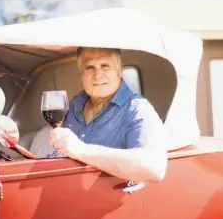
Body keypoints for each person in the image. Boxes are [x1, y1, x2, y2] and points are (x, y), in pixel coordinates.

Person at [50, 47, 167, 182]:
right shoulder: (74, 105)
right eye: (89, 67)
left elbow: (153, 168)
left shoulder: (136, 108)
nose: (98, 74)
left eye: (105, 66)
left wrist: (81, 150)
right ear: (81, 74)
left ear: (120, 71)